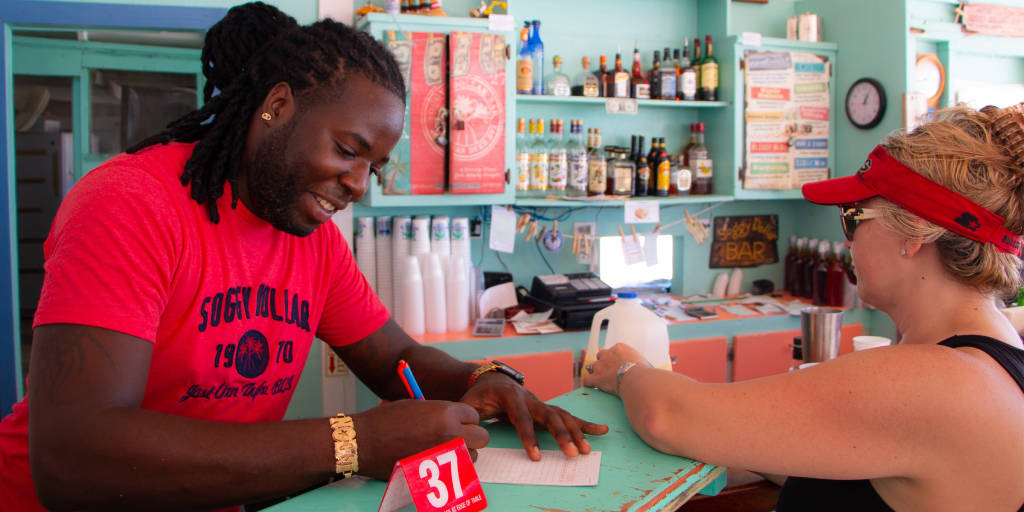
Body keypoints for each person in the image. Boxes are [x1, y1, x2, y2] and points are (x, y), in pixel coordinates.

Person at [0, 3, 607, 510]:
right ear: (277, 106)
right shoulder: (131, 205)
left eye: (374, 167)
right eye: (348, 149)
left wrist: (485, 379)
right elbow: (73, 457)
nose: (358, 184)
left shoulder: (310, 237)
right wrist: (352, 441)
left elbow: (393, 356)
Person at [584, 104, 1024, 511]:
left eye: (853, 217)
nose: (847, 241)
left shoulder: (934, 381)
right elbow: (847, 462)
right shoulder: (994, 354)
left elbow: (669, 417)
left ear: (916, 232)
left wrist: (627, 371)